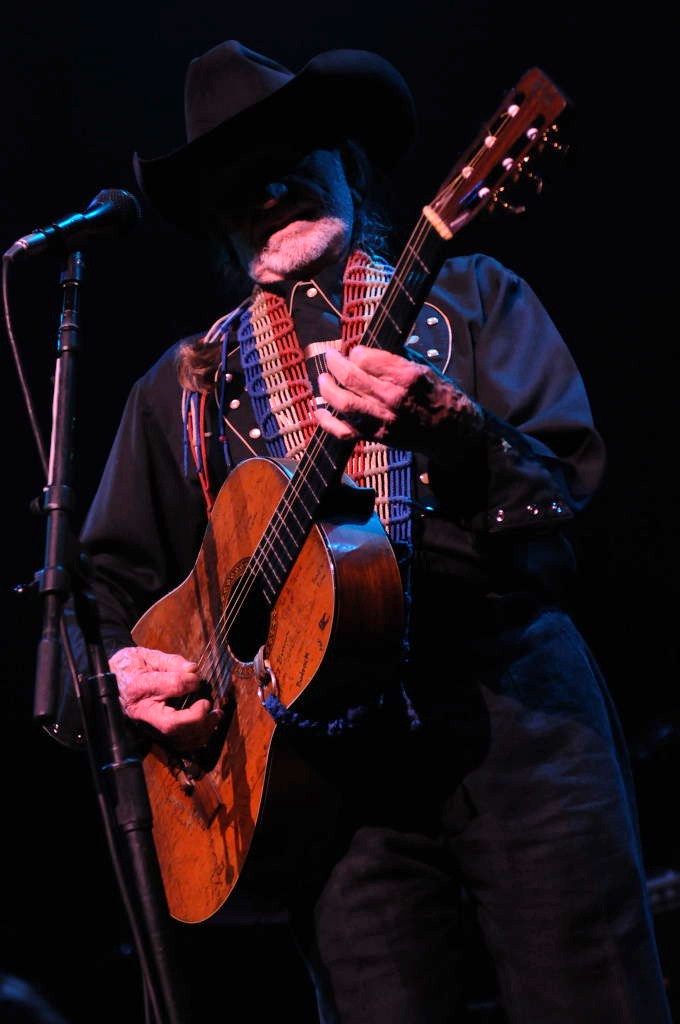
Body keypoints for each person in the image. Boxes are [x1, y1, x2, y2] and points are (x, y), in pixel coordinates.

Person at [64, 39, 672, 1023]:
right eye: (234, 175)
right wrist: (124, 677)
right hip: (322, 788)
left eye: (290, 152)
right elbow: (97, 591)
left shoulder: (475, 299)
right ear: (213, 216)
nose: (267, 185)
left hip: (515, 717)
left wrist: (457, 430)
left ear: (348, 159)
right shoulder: (182, 389)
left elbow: (571, 500)